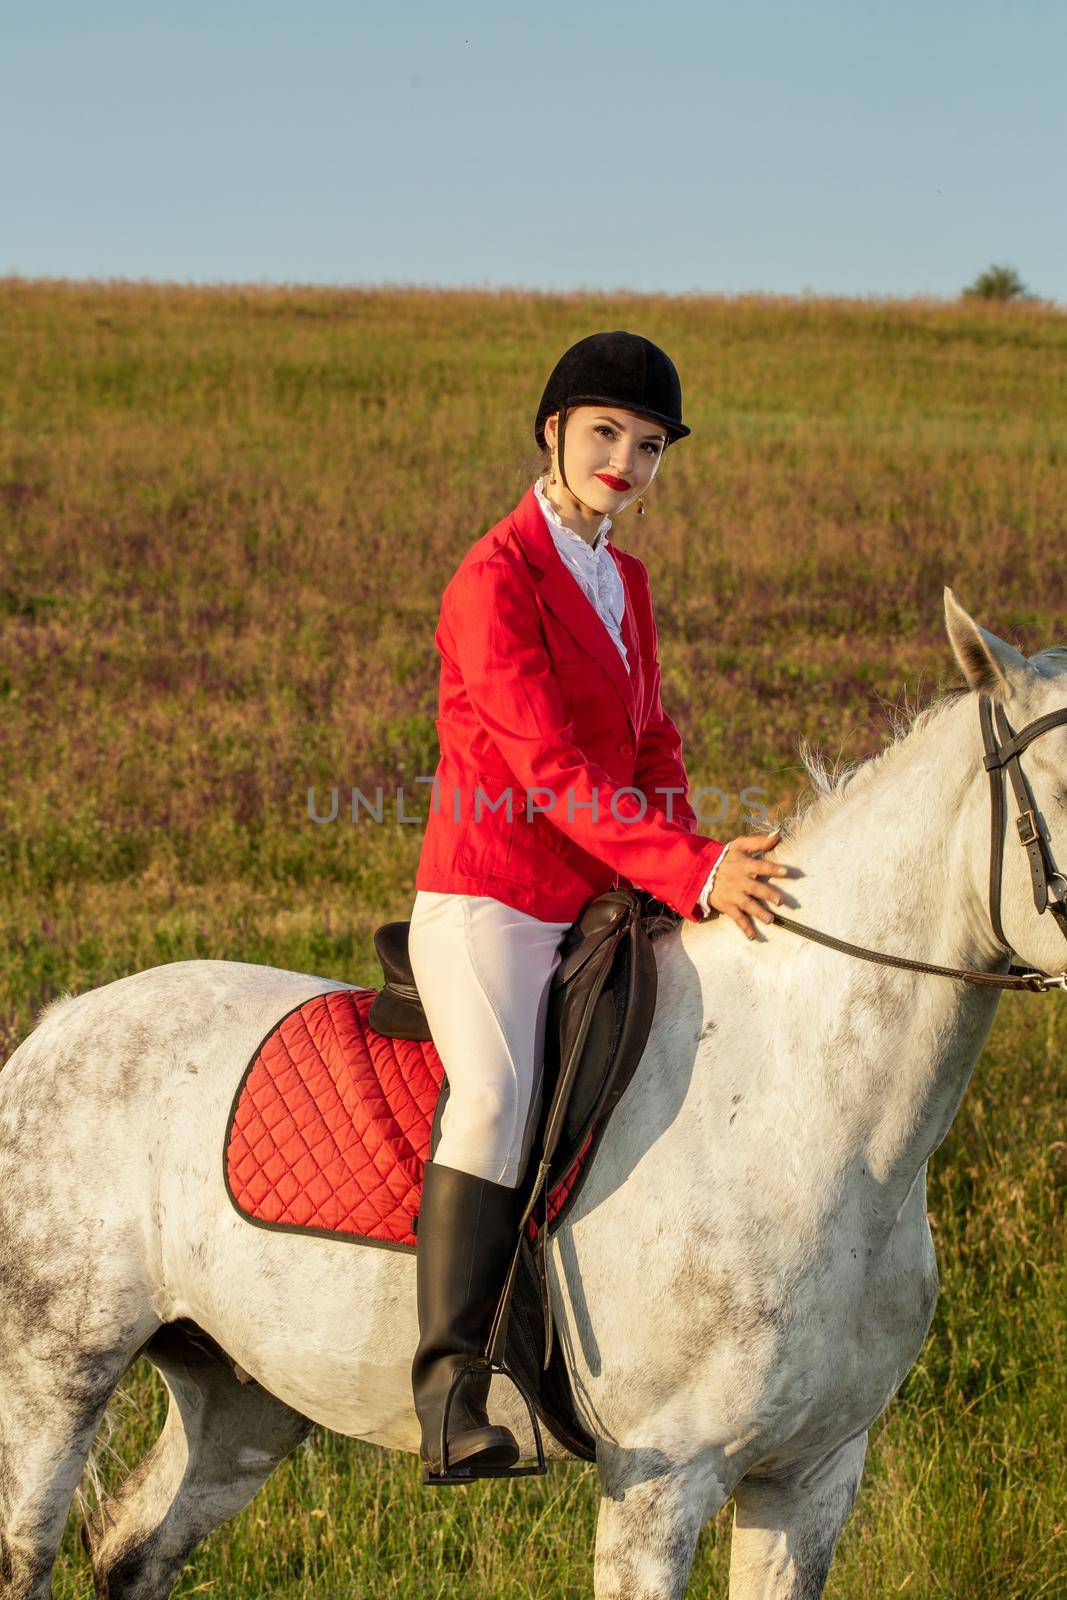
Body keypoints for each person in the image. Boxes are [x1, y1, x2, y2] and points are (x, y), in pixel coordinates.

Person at [407, 330, 788, 1481]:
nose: (627, 459)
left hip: (604, 898)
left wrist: (684, 863)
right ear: (552, 433)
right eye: (605, 434)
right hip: (491, 901)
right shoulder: (490, 578)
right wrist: (694, 869)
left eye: (650, 444)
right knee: (492, 1097)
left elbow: (649, 743)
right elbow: (550, 769)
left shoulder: (623, 579)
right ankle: (449, 1386)